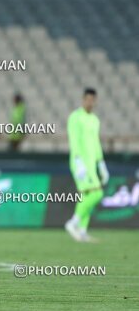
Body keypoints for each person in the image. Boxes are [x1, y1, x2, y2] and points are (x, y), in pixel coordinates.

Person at [65, 88, 108, 242]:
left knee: (86, 196)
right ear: (83, 99)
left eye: (93, 100)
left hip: (91, 164)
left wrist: (101, 163)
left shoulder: (95, 120)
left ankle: (82, 231)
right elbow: (74, 140)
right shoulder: (75, 117)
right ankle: (73, 222)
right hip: (80, 163)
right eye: (88, 99)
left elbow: (96, 143)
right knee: (97, 193)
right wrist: (78, 161)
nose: (90, 102)